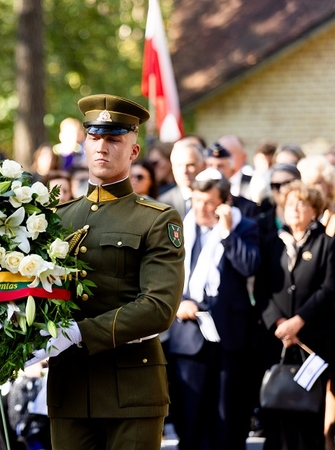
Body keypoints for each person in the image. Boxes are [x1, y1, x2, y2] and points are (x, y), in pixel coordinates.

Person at [28, 94, 185, 449]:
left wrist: (78, 333)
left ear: (133, 151)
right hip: (70, 388)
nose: (102, 147)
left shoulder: (157, 218)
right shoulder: (59, 218)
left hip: (131, 389)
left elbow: (159, 308)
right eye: (95, 137)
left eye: (114, 139)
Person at [167, 169, 260, 450]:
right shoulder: (178, 228)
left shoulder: (244, 227)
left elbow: (250, 266)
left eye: (208, 202)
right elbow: (164, 273)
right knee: (190, 416)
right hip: (188, 334)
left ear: (224, 202)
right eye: (196, 201)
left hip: (228, 335)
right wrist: (179, 301)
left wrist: (227, 233)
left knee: (227, 417)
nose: (201, 208)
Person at [255, 181, 335, 449]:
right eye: (290, 204)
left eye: (302, 204)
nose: (295, 209)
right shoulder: (271, 244)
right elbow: (262, 289)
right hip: (276, 340)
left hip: (311, 341)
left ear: (315, 210)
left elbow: (329, 289)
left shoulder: (327, 244)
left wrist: (298, 321)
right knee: (275, 415)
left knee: (307, 414)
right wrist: (278, 324)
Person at [158, 137, 205, 218]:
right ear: (172, 168)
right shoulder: (163, 203)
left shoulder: (215, 198)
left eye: (190, 165)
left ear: (203, 166)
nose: (184, 171)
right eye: (179, 165)